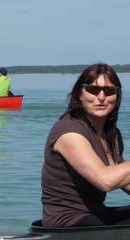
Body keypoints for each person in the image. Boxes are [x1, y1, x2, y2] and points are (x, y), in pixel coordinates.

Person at [41, 63, 130, 228]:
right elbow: (105, 180)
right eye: (93, 90)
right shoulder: (69, 132)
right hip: (66, 222)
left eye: (109, 91)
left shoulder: (111, 134)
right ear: (79, 94)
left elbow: (123, 180)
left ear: (117, 96)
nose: (101, 97)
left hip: (96, 214)